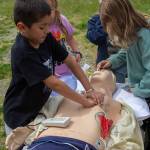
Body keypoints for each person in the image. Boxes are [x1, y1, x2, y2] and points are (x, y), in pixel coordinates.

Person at [3, 0, 104, 137]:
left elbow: (70, 60)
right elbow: (54, 83)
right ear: (22, 27)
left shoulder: (46, 37)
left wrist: (90, 89)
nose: (47, 31)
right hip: (20, 116)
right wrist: (84, 101)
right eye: (42, 27)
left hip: (38, 107)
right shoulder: (22, 52)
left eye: (48, 26)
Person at [5, 70, 144, 150]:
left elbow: (127, 140)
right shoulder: (69, 96)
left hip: (77, 146)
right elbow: (42, 115)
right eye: (96, 70)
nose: (98, 70)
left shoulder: (118, 106)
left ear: (112, 85)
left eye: (103, 72)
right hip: (41, 144)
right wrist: (29, 130)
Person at [97, 0, 150, 149]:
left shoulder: (145, 36)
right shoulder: (132, 33)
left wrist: (139, 89)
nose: (108, 29)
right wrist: (111, 62)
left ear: (119, 19)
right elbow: (126, 51)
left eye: (109, 24)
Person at [47, 0, 82, 77]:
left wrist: (76, 52)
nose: (46, 14)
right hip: (51, 75)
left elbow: (70, 39)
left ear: (55, 8)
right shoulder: (38, 29)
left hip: (68, 69)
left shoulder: (62, 20)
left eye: (49, 10)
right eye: (42, 10)